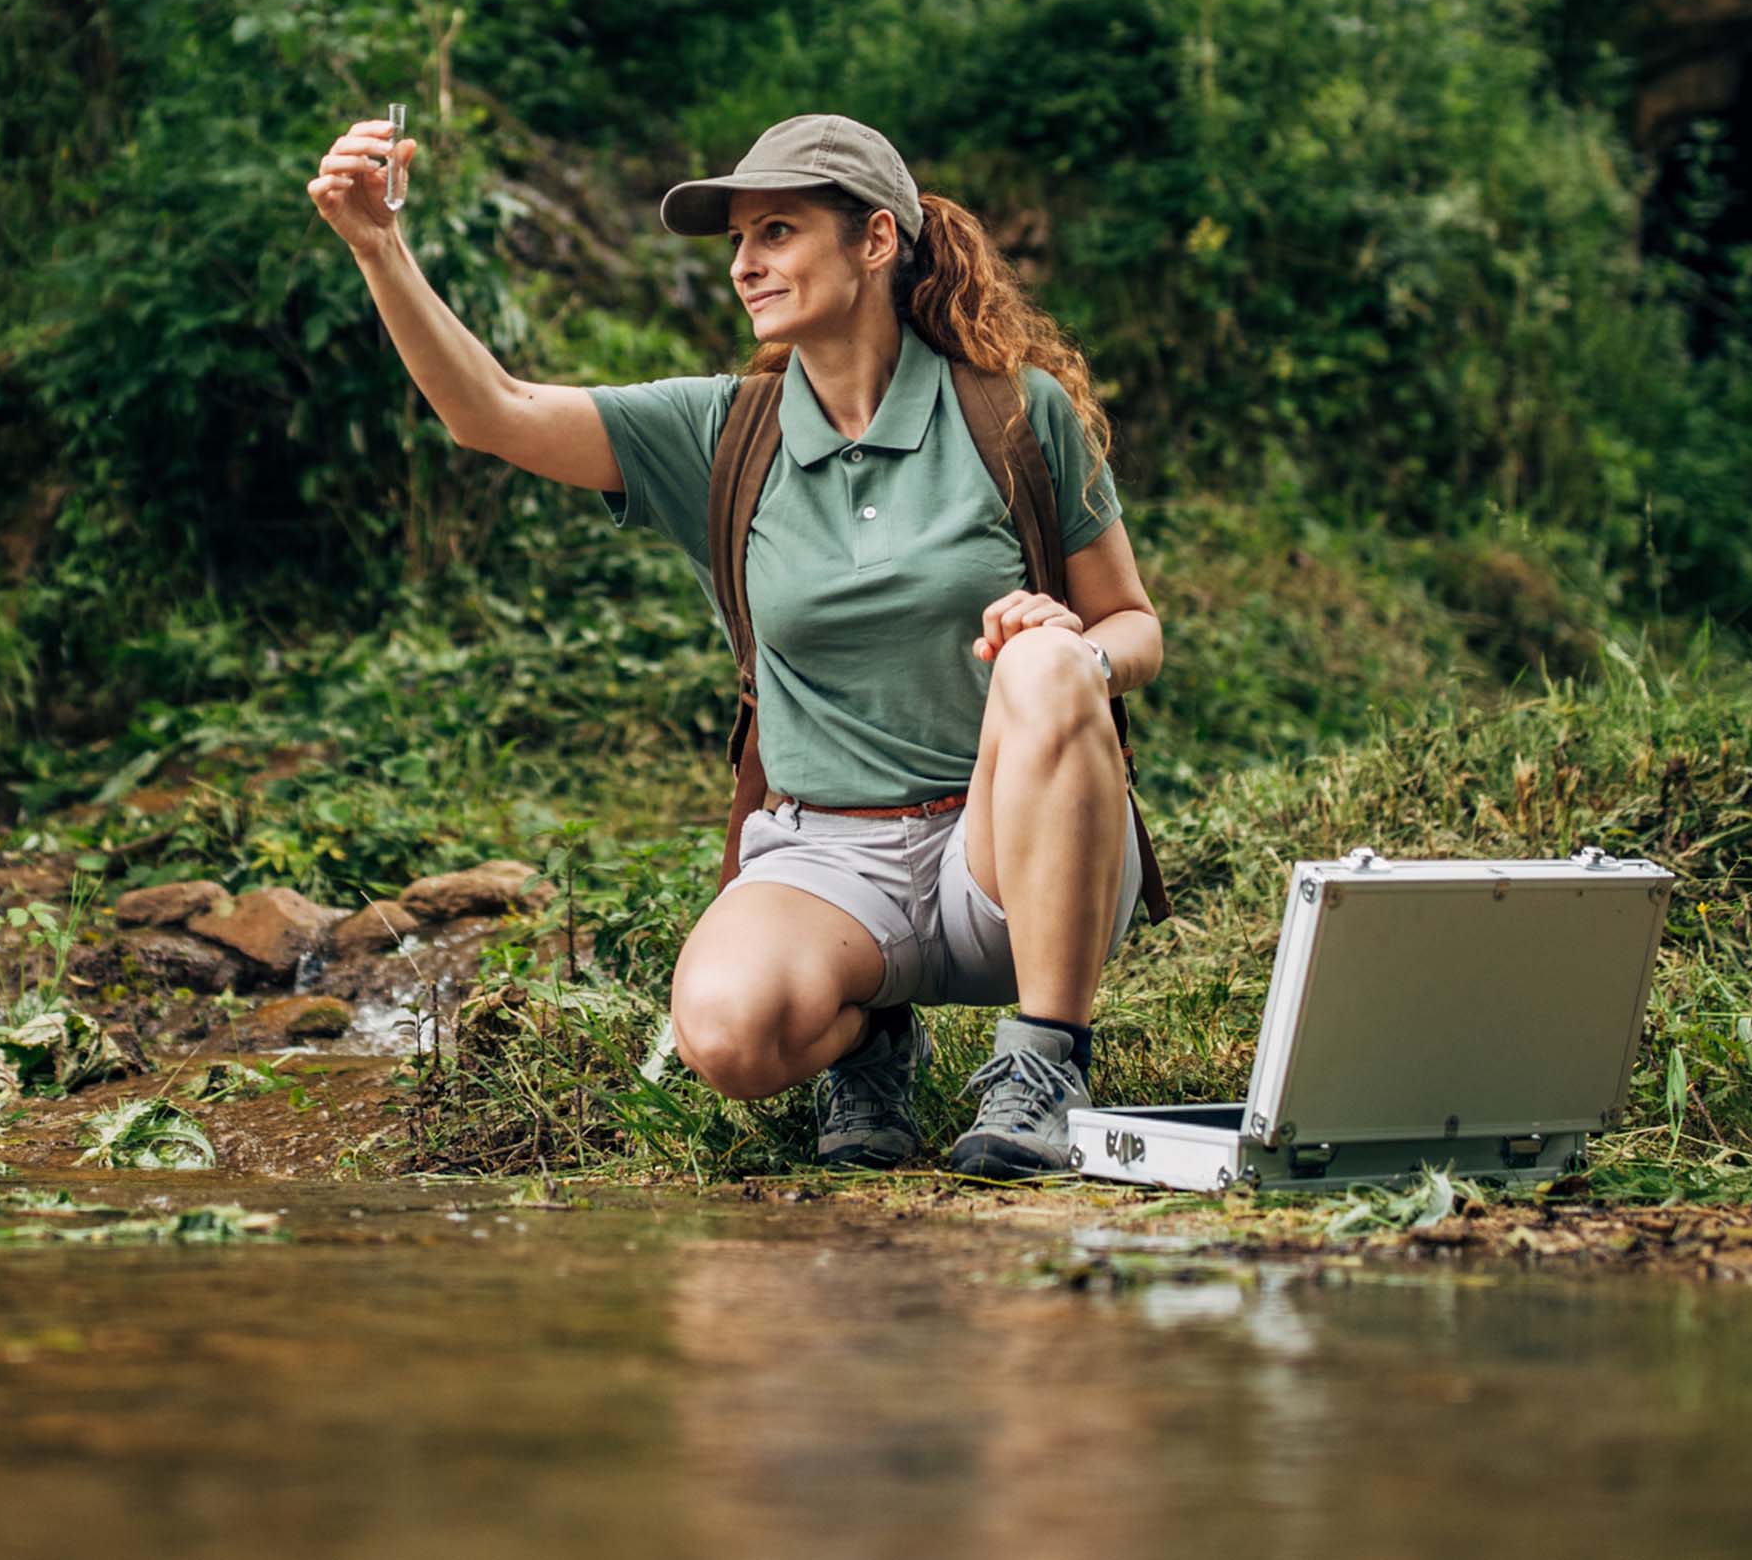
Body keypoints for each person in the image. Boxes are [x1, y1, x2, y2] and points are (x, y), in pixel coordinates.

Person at [303, 109, 1158, 1176]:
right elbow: (494, 410)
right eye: (738, 242)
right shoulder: (722, 432)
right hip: (828, 856)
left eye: (778, 232)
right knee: (724, 1031)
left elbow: (1134, 623)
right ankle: (870, 1039)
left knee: (1040, 659)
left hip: (1014, 853)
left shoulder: (1013, 415)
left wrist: (1072, 645)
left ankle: (1043, 1060)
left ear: (876, 240)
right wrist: (377, 248)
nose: (745, 265)